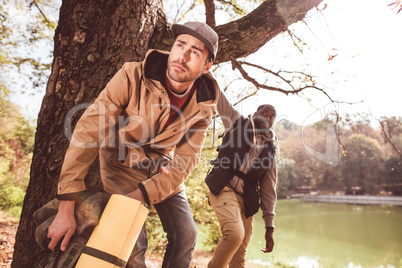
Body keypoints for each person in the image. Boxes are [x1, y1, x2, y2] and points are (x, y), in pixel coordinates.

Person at [47, 21, 220, 268]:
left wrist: (145, 193)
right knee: (133, 250)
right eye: (180, 45)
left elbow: (186, 161)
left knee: (186, 235)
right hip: (122, 160)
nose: (183, 55)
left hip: (164, 168)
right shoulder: (132, 74)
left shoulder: (204, 104)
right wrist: (67, 203)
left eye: (195, 51)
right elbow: (88, 131)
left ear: (206, 66)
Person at [205, 90, 278, 268]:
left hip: (247, 200)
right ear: (254, 114)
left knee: (239, 257)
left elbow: (269, 188)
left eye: (271, 117)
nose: (267, 117)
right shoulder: (236, 122)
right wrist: (205, 67)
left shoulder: (270, 149)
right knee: (234, 235)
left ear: (272, 124)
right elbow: (220, 97)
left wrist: (269, 227)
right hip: (223, 188)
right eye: (263, 113)